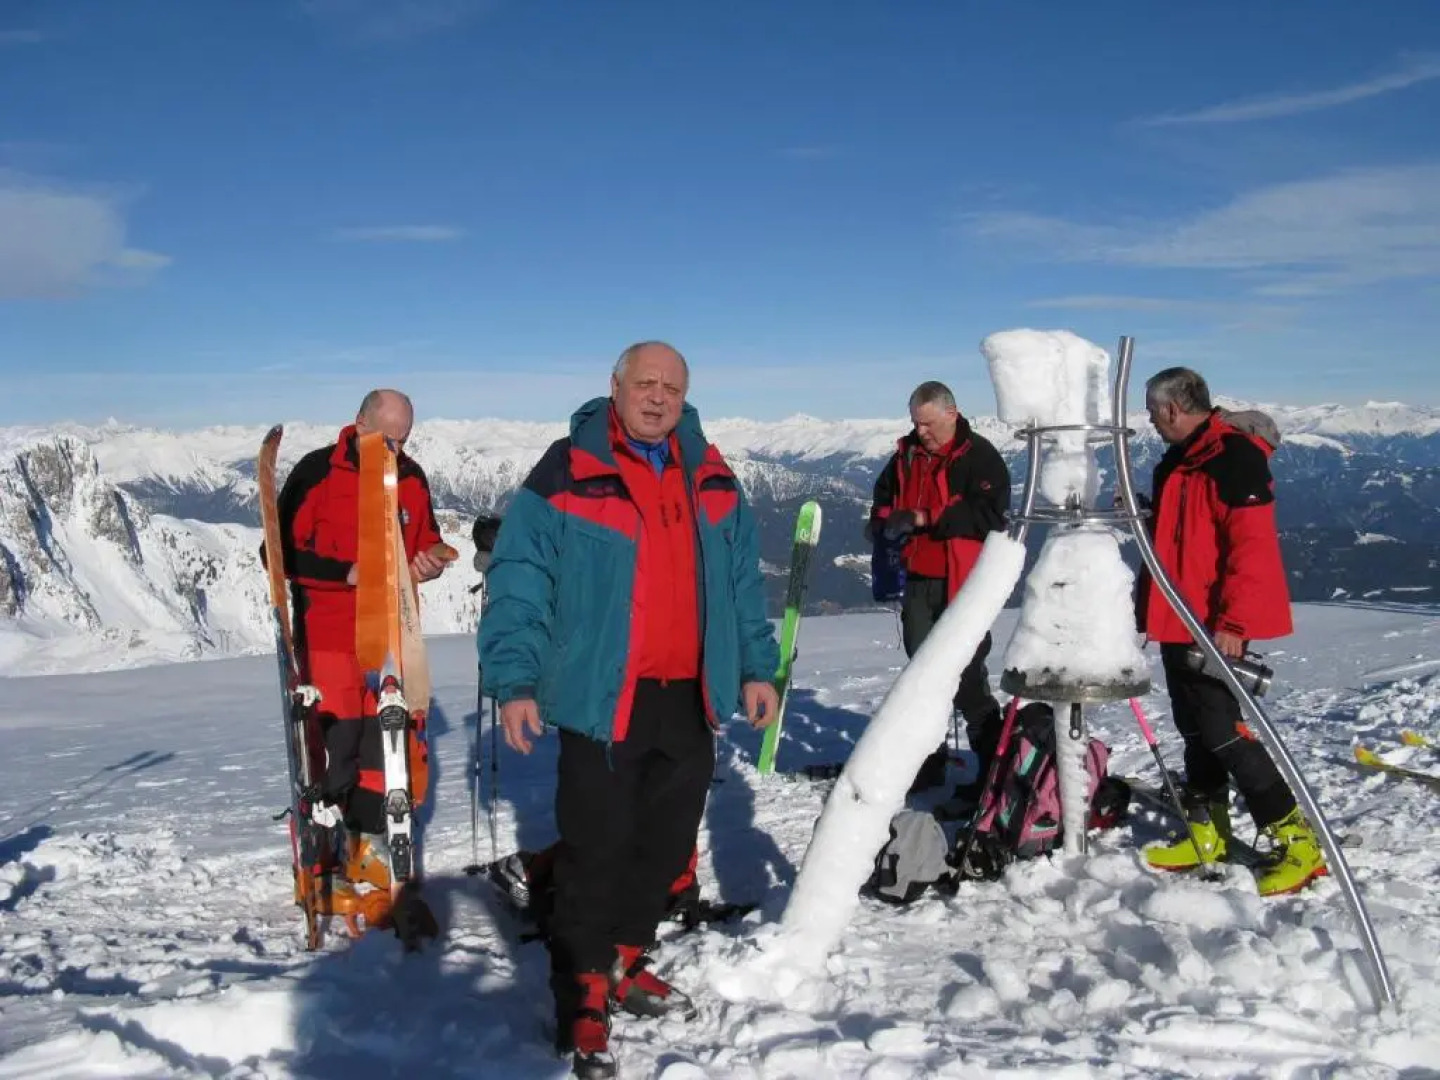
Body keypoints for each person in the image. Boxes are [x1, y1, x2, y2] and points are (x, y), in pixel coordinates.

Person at [477, 341, 780, 1079]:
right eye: (645, 383)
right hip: (601, 699)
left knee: (665, 846)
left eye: (671, 388)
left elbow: (742, 582)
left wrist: (755, 667)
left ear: (686, 397)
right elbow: (519, 579)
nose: (657, 397)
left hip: (689, 696)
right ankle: (582, 989)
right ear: (614, 387)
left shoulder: (709, 474)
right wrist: (514, 681)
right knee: (595, 847)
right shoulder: (567, 470)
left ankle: (623, 957)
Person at [1136, 367, 1325, 897]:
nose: (1151, 423)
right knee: (1193, 727)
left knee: (1223, 732)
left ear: (1173, 408)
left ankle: (1296, 840)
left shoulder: (1231, 458)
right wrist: (1143, 608)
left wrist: (1235, 624)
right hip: (1177, 615)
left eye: (1153, 413)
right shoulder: (1178, 461)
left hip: (1213, 623)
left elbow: (1251, 547)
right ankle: (1208, 832)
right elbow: (1162, 545)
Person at [274, 388, 452, 931]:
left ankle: (371, 854)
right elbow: (276, 554)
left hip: (394, 639)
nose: (395, 448)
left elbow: (428, 542)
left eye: (403, 439)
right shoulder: (315, 473)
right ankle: (321, 851)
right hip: (328, 634)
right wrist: (342, 574)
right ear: (358, 423)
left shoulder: (412, 479)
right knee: (337, 744)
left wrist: (431, 562)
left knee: (389, 748)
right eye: (386, 437)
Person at [865, 381, 1010, 800]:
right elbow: (883, 495)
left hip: (962, 582)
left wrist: (926, 518)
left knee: (966, 674)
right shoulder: (907, 454)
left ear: (951, 413)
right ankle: (928, 760)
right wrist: (885, 522)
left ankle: (991, 767)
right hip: (917, 578)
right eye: (915, 423)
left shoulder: (978, 456)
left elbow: (990, 514)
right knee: (921, 676)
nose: (921, 431)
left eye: (927, 423)